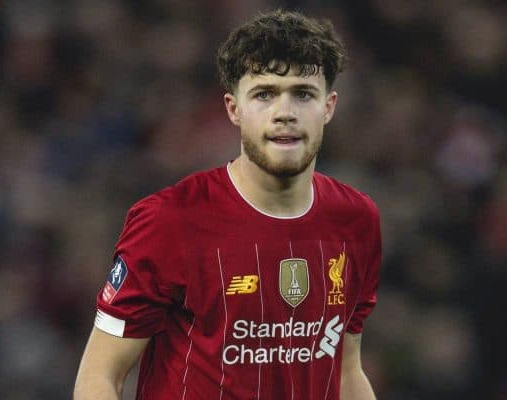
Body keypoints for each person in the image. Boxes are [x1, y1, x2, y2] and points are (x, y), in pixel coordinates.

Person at [74, 9, 381, 400]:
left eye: (303, 93)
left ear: (329, 106)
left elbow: (345, 371)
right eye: (264, 94)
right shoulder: (170, 220)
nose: (284, 113)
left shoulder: (357, 220)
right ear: (234, 109)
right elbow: (99, 375)